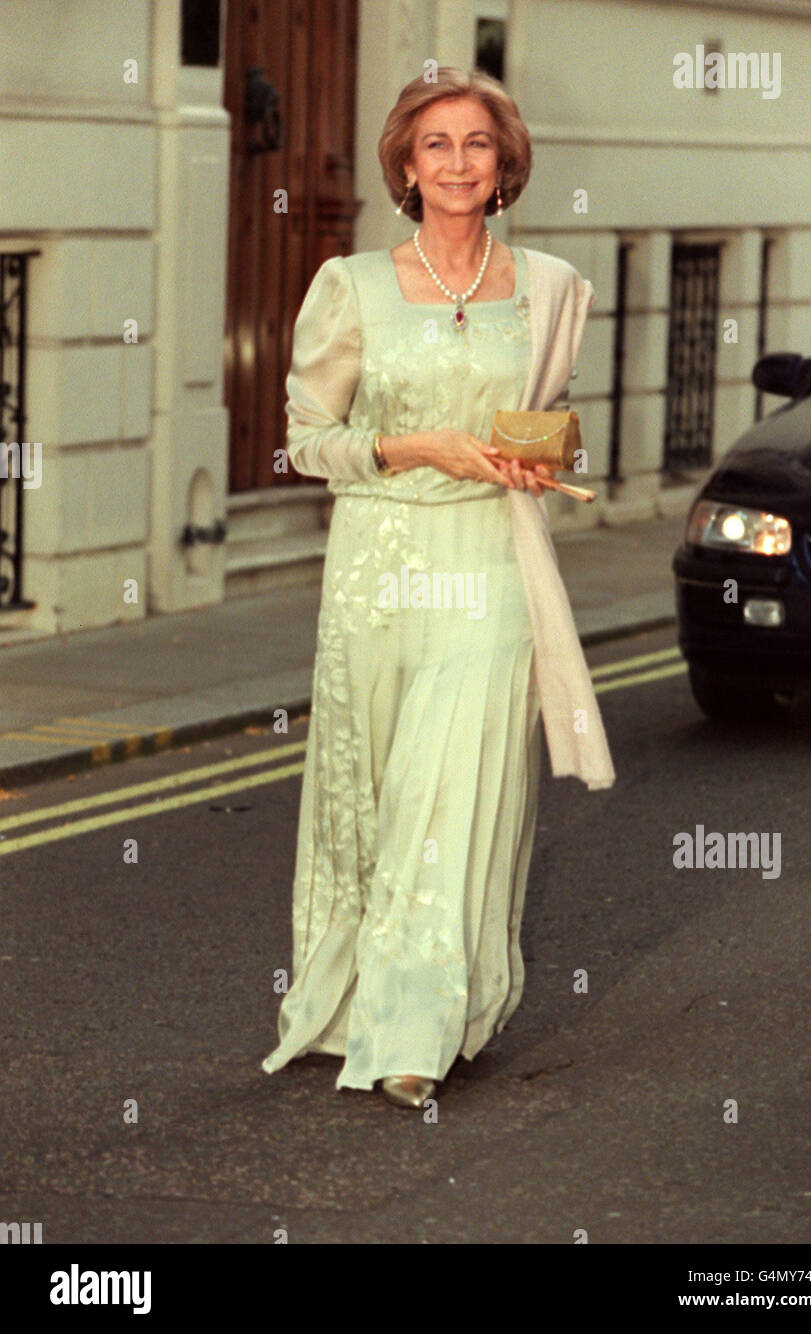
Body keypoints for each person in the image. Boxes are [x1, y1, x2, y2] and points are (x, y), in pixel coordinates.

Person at [261, 66, 614, 1110]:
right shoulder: (350, 285)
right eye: (435, 145)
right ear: (405, 169)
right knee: (368, 795)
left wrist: (533, 455)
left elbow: (552, 420)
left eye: (475, 144)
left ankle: (414, 1025)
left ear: (504, 165)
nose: (457, 162)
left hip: (488, 563)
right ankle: (349, 995)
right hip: (376, 565)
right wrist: (418, 445)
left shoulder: (545, 286)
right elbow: (305, 443)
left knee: (448, 794)